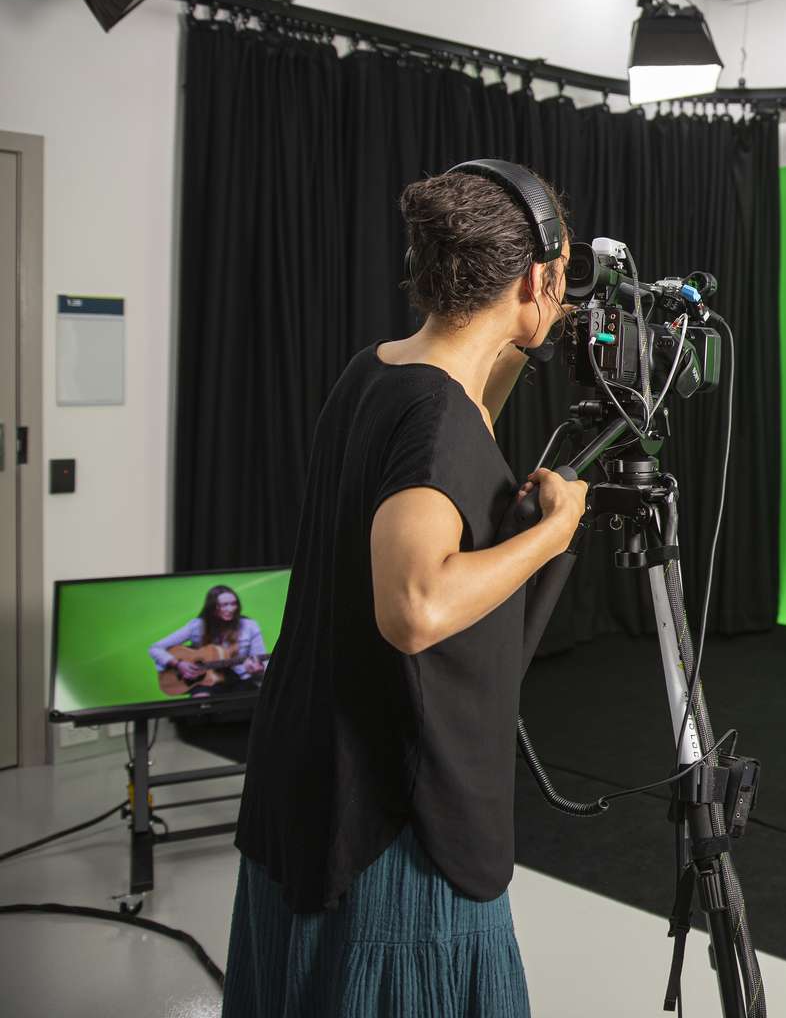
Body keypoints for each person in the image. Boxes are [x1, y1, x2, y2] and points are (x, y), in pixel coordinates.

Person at [223, 164, 588, 1016]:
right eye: (560, 278)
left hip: (303, 776)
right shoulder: (433, 420)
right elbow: (416, 607)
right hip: (387, 823)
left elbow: (456, 443)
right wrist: (552, 535)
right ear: (537, 280)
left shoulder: (376, 373)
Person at [149, 584, 269, 695]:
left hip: (240, 680)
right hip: (205, 680)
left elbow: (260, 659)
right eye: (224, 605)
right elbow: (155, 648)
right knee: (200, 704)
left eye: (233, 604)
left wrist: (258, 669)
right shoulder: (197, 626)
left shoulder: (249, 626)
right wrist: (178, 664)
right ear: (212, 607)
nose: (230, 609)